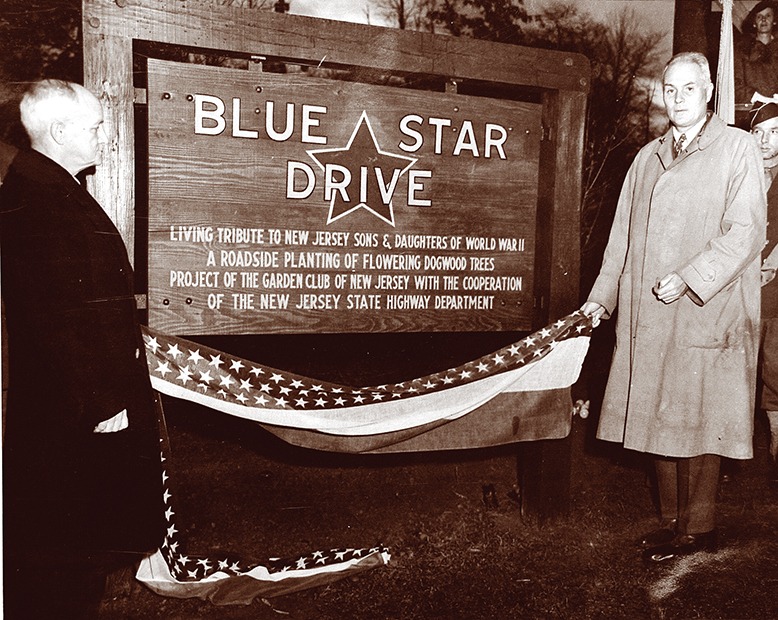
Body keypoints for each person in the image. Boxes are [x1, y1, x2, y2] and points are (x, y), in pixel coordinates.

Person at [581, 52, 766, 564]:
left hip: (708, 307)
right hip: (650, 312)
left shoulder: (738, 147)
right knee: (660, 414)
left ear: (709, 91)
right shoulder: (646, 158)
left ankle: (698, 528)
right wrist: (602, 299)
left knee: (700, 416)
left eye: (690, 88)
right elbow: (619, 240)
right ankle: (671, 524)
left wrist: (690, 277)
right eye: (670, 89)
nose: (679, 98)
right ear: (661, 94)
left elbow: (747, 232)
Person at [1, 80, 165, 617]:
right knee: (65, 555)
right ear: (60, 130)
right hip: (73, 412)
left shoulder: (52, 188)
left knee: (78, 546)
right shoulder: (40, 201)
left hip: (72, 407)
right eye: (95, 125)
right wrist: (102, 400)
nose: (104, 134)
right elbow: (54, 315)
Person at [750, 101, 778, 483]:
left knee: (774, 366)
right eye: (758, 133)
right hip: (740, 283)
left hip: (774, 286)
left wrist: (772, 261)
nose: (766, 141)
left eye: (775, 133)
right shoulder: (744, 171)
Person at [735, 0, 778, 106]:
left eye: (768, 15)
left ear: (774, 21)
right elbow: (735, 83)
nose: (763, 19)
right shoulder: (742, 49)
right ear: (754, 23)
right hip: (751, 109)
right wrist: (757, 98)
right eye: (759, 16)